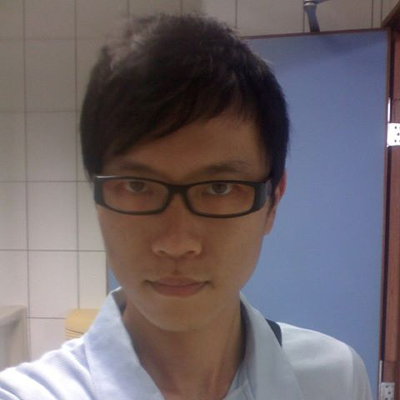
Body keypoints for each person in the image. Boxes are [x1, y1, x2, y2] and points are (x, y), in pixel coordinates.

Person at [0, 13, 373, 400]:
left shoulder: (335, 380)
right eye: (138, 185)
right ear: (98, 197)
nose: (176, 243)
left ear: (273, 202)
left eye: (218, 187)